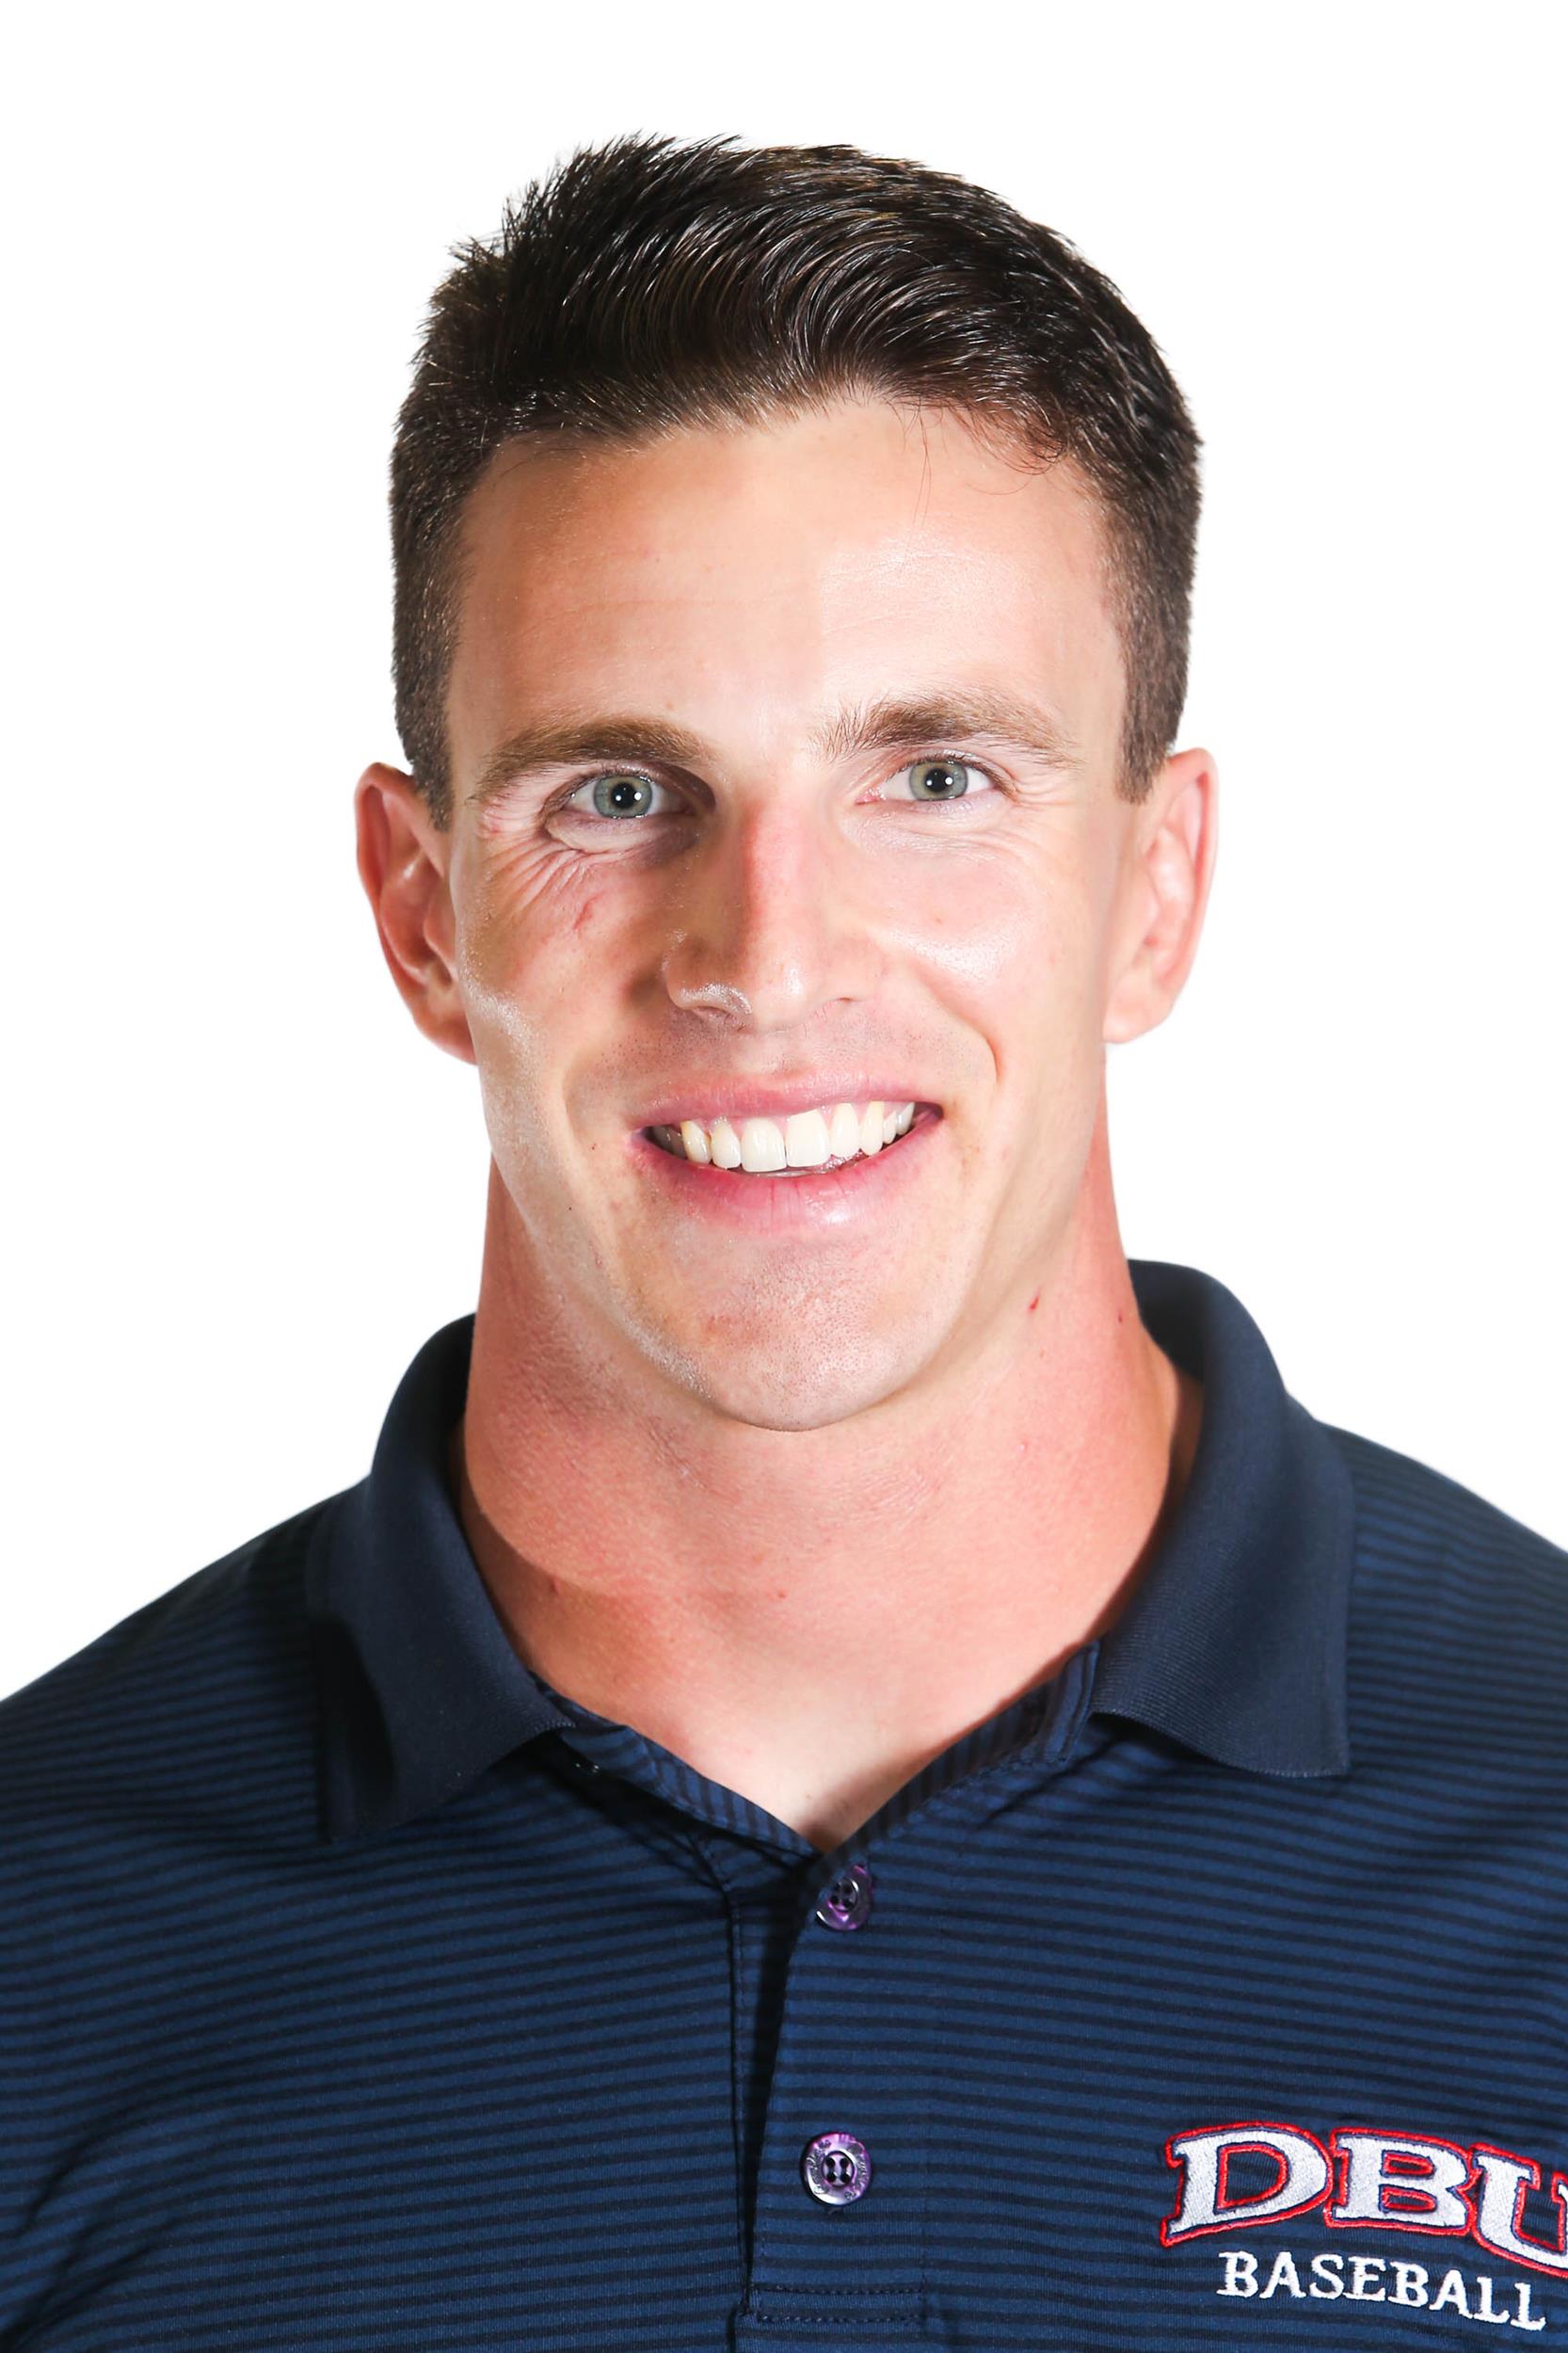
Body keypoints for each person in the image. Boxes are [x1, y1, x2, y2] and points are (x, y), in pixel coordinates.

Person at [3, 133, 1565, 2352]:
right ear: (421, 910)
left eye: (932, 776)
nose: (765, 953)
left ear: (1154, 883)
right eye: (617, 792)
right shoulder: (43, 1945)